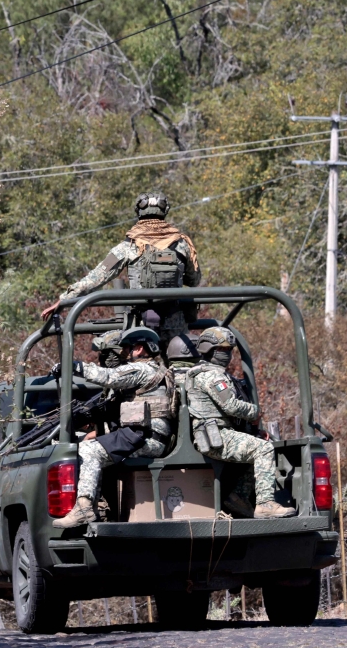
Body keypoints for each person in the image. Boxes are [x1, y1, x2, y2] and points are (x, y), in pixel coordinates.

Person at [51, 327, 176, 529]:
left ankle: (84, 508)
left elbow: (109, 377)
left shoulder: (142, 369)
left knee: (88, 449)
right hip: (146, 436)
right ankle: (96, 507)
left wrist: (74, 366)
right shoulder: (158, 371)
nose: (124, 353)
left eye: (127, 348)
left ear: (140, 348)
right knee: (94, 447)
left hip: (144, 438)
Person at [40, 192, 200, 340]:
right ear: (165, 212)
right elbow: (194, 280)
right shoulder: (182, 243)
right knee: (179, 365)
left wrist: (64, 299)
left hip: (142, 323)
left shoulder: (129, 245)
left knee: (142, 367)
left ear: (138, 212)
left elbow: (97, 276)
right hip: (175, 322)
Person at [185, 327, 295, 519]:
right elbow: (231, 406)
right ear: (209, 350)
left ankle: (239, 497)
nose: (227, 355)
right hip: (215, 436)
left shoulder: (207, 373)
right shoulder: (212, 375)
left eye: (229, 350)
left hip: (218, 433)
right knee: (264, 449)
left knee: (258, 445)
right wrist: (255, 412)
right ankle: (265, 504)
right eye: (222, 350)